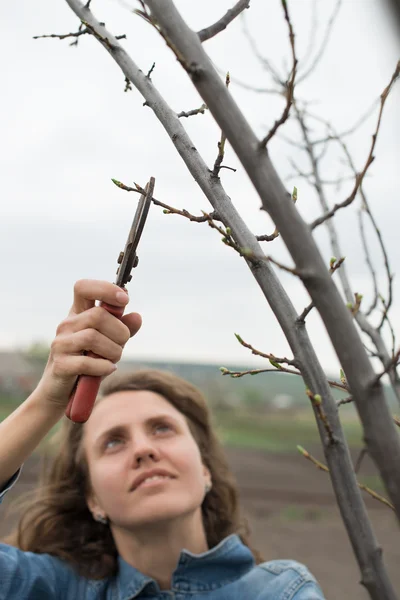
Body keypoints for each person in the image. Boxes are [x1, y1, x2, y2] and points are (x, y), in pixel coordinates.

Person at [0, 279, 325, 599]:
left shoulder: (280, 591)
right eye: (113, 442)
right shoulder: (51, 590)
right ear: (92, 498)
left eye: (162, 429)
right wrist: (47, 400)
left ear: (205, 469)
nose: (143, 449)